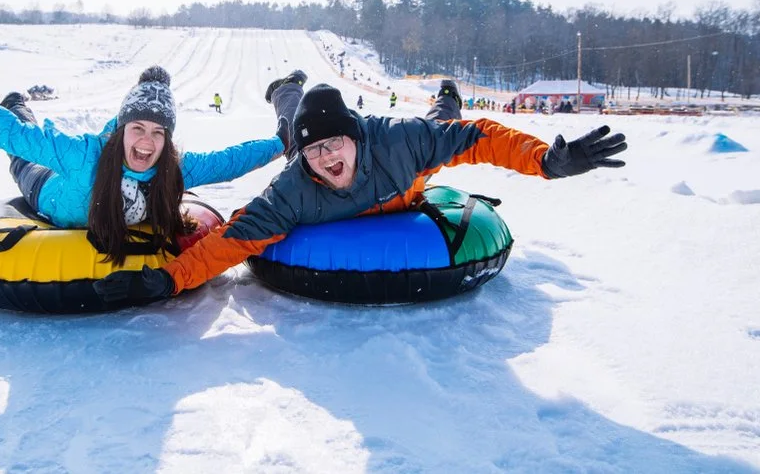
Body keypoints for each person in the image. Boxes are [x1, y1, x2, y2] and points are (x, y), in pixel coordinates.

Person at [92, 77, 627, 308]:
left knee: (442, 121)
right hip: (350, 166)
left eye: (335, 144)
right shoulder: (293, 190)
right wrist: (166, 281)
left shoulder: (397, 143)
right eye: (314, 151)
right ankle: (287, 94)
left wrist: (547, 162)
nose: (327, 158)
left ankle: (447, 95)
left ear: (356, 136)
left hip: (408, 180)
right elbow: (234, 240)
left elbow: (478, 139)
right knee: (304, 129)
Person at [0, 42, 292, 265]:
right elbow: (10, 136)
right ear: (121, 130)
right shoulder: (85, 156)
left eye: (158, 132)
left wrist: (279, 144)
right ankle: (18, 102)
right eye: (137, 128)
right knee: (21, 155)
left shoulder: (173, 169)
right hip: (48, 193)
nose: (146, 142)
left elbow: (227, 161)